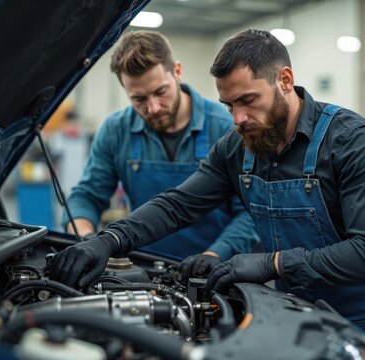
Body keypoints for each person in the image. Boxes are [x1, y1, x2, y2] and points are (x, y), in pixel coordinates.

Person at [51, 29, 365, 357]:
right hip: (296, 322)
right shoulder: (239, 147)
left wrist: (271, 264)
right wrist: (110, 239)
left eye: (248, 100)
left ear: (285, 80)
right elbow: (177, 205)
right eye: (229, 106)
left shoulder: (352, 142)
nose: (238, 118)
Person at [60, 30, 258, 277]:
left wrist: (215, 255)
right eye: (139, 98)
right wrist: (88, 239)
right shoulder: (116, 130)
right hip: (142, 272)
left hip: (215, 272)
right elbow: (87, 195)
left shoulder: (227, 128)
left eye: (160, 92)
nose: (152, 107)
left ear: (177, 71)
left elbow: (250, 213)